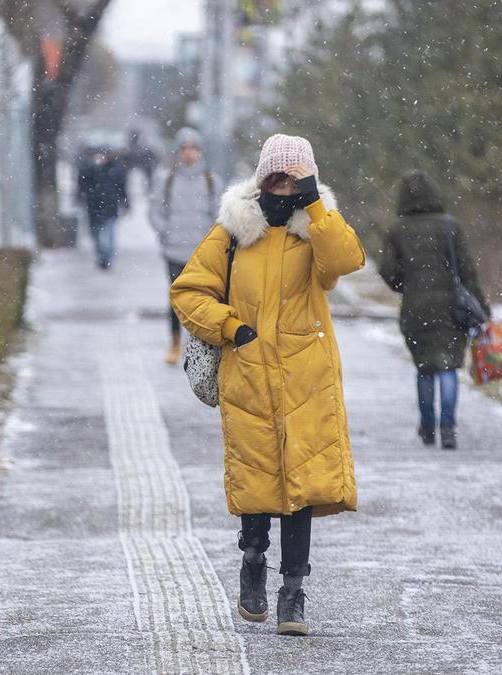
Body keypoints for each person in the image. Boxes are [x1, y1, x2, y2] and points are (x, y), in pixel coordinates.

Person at [170, 134, 365, 636]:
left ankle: (293, 592)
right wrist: (233, 328)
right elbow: (189, 291)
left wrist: (315, 204)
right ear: (261, 178)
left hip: (306, 375)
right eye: (277, 175)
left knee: (301, 485)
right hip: (250, 370)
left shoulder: (318, 229)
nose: (285, 185)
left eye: (295, 175)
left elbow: (346, 263)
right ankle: (253, 565)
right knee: (257, 476)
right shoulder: (235, 230)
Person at [378, 171, 490, 450]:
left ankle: (428, 427)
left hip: (416, 309)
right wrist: (482, 307)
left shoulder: (398, 230)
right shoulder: (450, 227)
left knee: (425, 368)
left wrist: (407, 285)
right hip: (451, 309)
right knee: (448, 367)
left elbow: (388, 272)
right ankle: (448, 427)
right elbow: (468, 272)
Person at [150, 128, 223, 365]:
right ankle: (174, 343)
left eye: (193, 149)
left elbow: (219, 215)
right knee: (175, 298)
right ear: (178, 152)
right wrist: (165, 230)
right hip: (174, 249)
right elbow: (155, 211)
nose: (189, 154)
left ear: (200, 152)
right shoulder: (167, 179)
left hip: (202, 253)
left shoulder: (212, 181)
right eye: (184, 149)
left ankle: (199, 346)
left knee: (202, 300)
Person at [76, 146, 128, 270]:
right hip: (93, 208)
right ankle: (102, 256)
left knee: (109, 235)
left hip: (110, 207)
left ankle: (107, 258)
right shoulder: (88, 169)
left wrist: (125, 202)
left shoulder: (116, 169)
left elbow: (122, 187)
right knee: (96, 235)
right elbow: (81, 186)